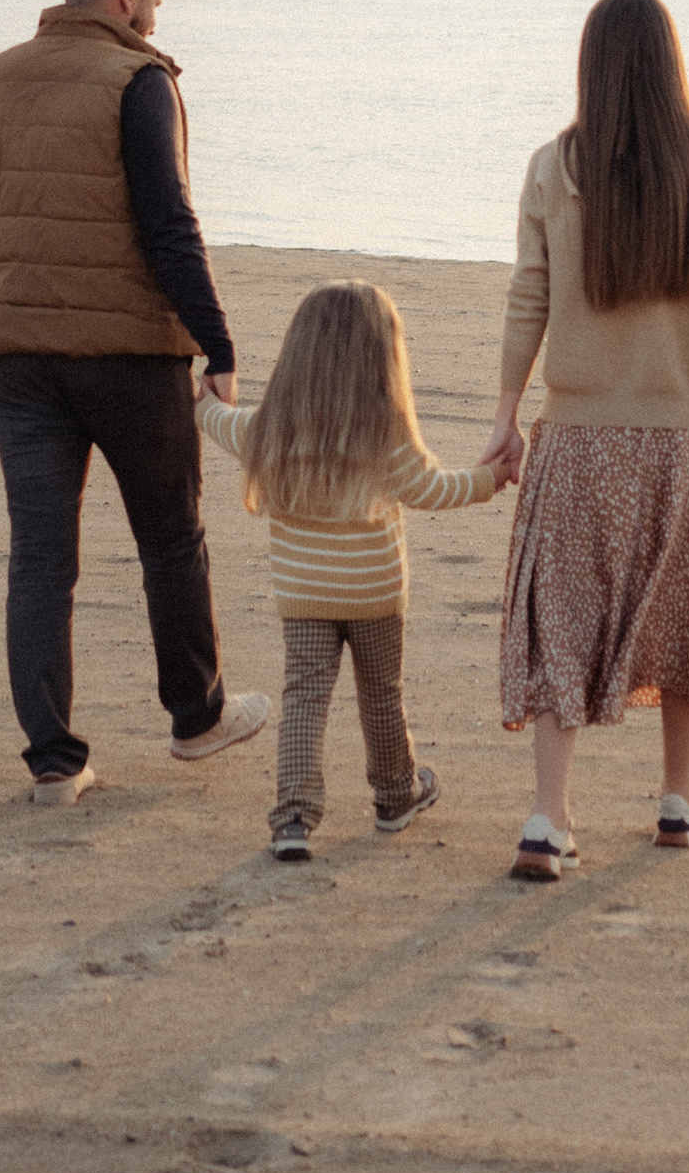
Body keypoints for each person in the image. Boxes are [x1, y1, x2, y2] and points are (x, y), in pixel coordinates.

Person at [0, 0, 268, 800]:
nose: (154, 21)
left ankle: (54, 763)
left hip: (16, 356)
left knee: (41, 557)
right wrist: (218, 343)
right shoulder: (141, 80)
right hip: (130, 353)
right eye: (155, 3)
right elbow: (170, 224)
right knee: (170, 537)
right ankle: (196, 717)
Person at [480, 0, 689, 880]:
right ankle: (678, 800)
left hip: (581, 433)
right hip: (681, 437)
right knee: (680, 614)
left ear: (590, 65)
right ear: (670, 65)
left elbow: (528, 299)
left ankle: (548, 819)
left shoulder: (553, 168)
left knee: (561, 612)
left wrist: (505, 417)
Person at [201, 281, 500, 859]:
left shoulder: (268, 429)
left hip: (304, 594)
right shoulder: (384, 432)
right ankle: (395, 797)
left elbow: (216, 421)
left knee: (305, 699)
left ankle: (292, 817)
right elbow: (432, 488)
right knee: (382, 696)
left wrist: (202, 399)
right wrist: (492, 477)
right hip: (375, 593)